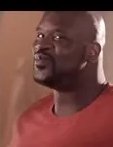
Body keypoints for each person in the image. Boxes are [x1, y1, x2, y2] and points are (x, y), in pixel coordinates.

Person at [7, 11, 112, 147]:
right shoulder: (26, 126)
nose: (39, 45)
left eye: (57, 37)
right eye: (40, 35)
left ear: (92, 52)